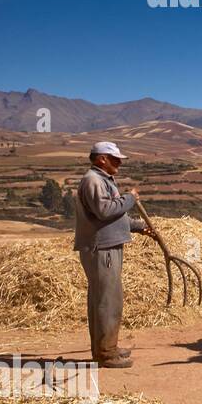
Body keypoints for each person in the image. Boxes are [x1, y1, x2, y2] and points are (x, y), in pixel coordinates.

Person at [74, 142, 152, 367]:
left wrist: (138, 227)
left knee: (107, 298)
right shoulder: (93, 181)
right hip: (101, 248)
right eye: (115, 158)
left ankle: (108, 347)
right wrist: (130, 198)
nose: (119, 162)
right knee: (107, 300)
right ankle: (105, 354)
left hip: (108, 246)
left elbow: (114, 216)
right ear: (101, 159)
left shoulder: (104, 180)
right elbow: (105, 210)